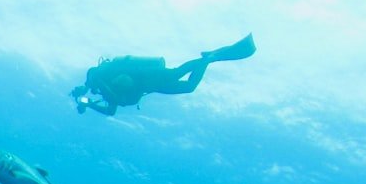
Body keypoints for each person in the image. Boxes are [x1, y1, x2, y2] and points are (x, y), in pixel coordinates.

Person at [71, 33, 256, 116]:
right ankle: (208, 59)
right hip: (150, 85)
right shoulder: (105, 89)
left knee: (178, 75)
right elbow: (111, 111)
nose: (89, 91)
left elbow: (94, 80)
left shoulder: (98, 77)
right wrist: (90, 106)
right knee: (187, 85)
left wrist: (84, 95)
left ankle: (208, 59)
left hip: (148, 78)